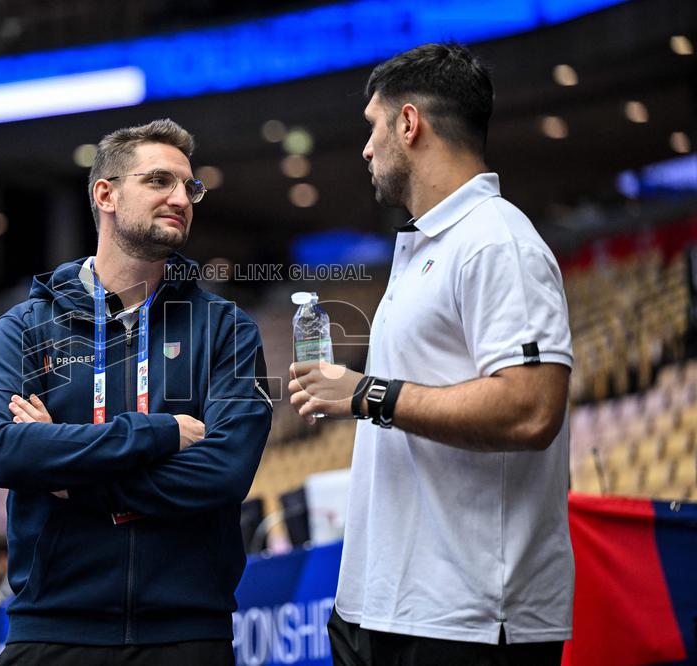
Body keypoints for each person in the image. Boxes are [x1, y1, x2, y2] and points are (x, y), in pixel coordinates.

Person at [288, 43, 573, 666]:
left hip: (463, 620)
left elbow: (531, 409)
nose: (366, 148)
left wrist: (367, 393)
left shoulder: (497, 243)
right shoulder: (430, 247)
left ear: (409, 124)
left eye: (373, 127)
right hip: (382, 608)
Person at [0, 118, 273, 665]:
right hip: (52, 630)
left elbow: (224, 472)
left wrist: (72, 478)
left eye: (190, 187)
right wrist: (159, 433)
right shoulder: (25, 328)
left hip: (186, 635)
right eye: (160, 181)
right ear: (105, 194)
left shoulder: (226, 328)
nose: (181, 198)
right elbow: (8, 454)